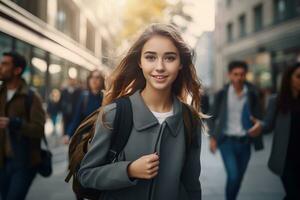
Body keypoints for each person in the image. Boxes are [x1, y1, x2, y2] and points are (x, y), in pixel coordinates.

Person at [77, 23, 203, 200]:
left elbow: (192, 185)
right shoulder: (114, 113)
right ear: (140, 61)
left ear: (181, 63)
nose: (159, 67)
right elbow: (86, 175)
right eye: (151, 57)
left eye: (169, 58)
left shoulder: (190, 120)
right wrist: (128, 170)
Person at [208, 60, 263, 200]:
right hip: (226, 142)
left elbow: (260, 117)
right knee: (233, 176)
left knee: (239, 178)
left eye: (242, 74)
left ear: (246, 75)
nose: (238, 78)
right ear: (229, 75)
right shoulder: (222, 94)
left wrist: (259, 126)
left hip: (245, 142)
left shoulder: (252, 94)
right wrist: (213, 137)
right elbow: (210, 117)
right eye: (235, 74)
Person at [249, 63, 300, 200]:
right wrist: (260, 126)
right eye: (298, 76)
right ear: (289, 78)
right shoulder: (277, 101)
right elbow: (268, 125)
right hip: (287, 159)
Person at [0, 52, 45, 200]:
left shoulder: (32, 97)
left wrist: (15, 123)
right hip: (2, 162)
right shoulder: (1, 93)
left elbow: (38, 130)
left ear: (17, 70)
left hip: (24, 163)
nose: (0, 67)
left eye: (5, 64)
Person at [65, 70, 105, 142]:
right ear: (88, 80)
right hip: (85, 139)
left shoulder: (105, 97)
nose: (94, 80)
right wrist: (68, 134)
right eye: (92, 77)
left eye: (97, 77)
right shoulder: (84, 97)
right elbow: (76, 117)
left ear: (102, 81)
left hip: (100, 138)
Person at [60, 78, 82, 144]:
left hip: (74, 112)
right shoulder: (64, 90)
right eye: (70, 80)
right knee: (66, 124)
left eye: (73, 80)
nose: (71, 81)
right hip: (66, 112)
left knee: (74, 123)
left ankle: (71, 136)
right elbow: (61, 100)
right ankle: (66, 136)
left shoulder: (79, 91)